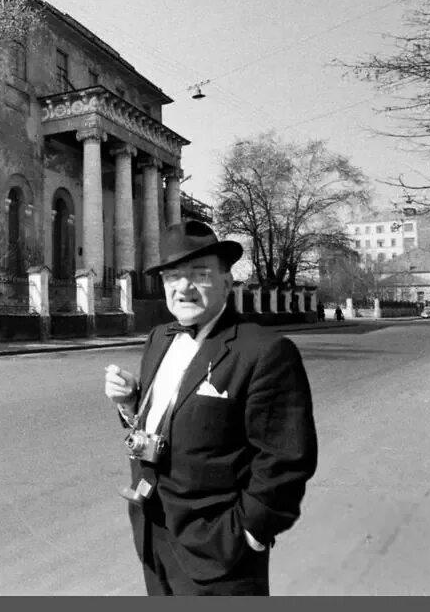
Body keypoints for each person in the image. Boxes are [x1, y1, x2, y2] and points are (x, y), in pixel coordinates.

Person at [103, 219, 318, 596]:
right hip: (154, 537)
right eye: (172, 277)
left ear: (226, 282)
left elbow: (286, 460)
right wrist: (129, 404)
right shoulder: (159, 338)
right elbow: (168, 420)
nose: (183, 288)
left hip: (221, 557)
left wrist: (249, 534)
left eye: (199, 274)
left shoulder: (263, 351)